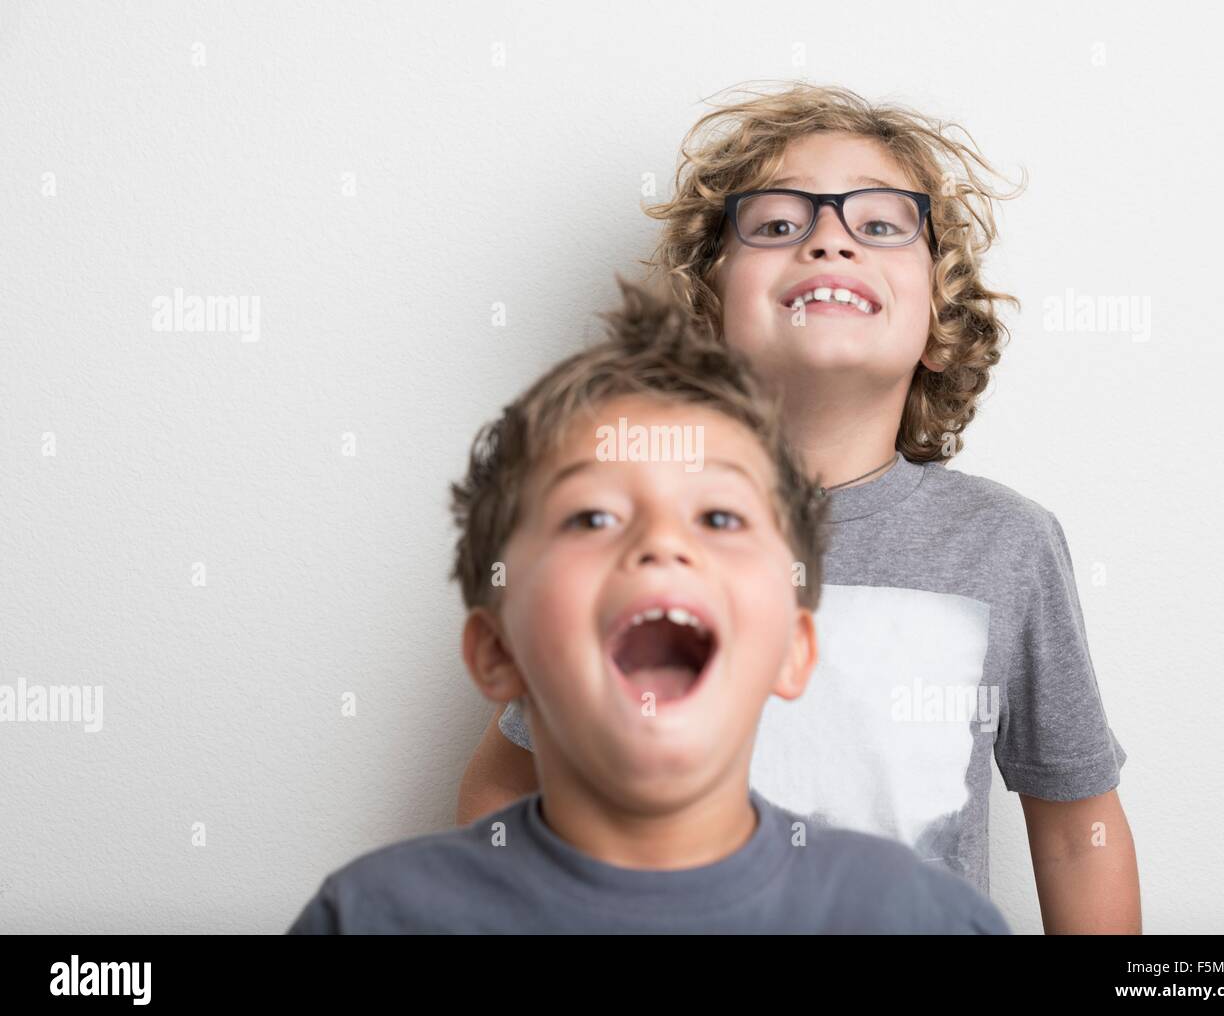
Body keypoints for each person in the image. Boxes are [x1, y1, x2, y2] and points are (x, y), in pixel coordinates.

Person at [459, 82, 1139, 934]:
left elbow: (1080, 832)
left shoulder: (1008, 543)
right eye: (779, 225)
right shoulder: (638, 535)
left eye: (881, 225)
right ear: (710, 318)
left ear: (938, 322)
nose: (828, 241)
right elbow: (504, 787)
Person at [287, 278, 1010, 934]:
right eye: (593, 518)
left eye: (720, 519)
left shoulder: (922, 917)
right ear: (497, 651)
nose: (662, 545)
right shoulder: (373, 917)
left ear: (794, 650)